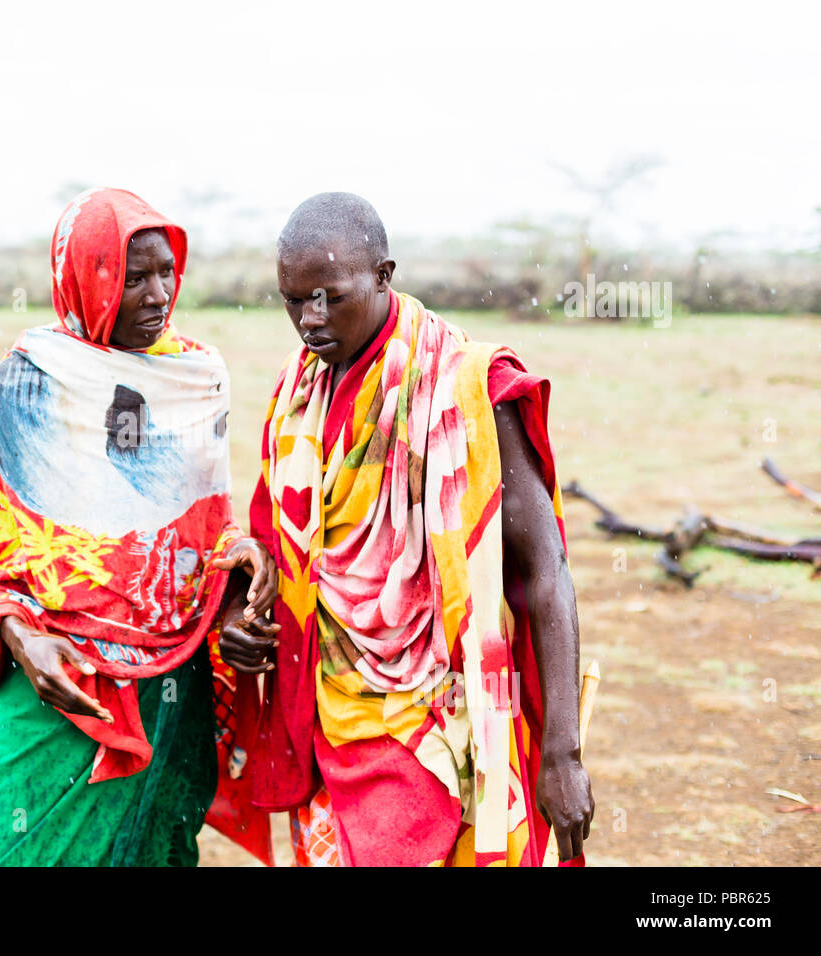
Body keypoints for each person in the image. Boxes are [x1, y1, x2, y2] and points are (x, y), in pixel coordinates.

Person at [222, 192, 594, 866]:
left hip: (445, 724)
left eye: (330, 297)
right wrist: (238, 615)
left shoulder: (469, 392)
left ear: (384, 276)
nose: (310, 319)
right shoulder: (297, 394)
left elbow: (547, 571)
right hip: (326, 723)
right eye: (293, 299)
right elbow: (273, 536)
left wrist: (564, 752)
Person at [0, 187, 279, 866]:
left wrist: (237, 602)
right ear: (86, 280)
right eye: (133, 278)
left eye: (166, 272)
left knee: (156, 847)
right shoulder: (15, 393)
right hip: (59, 692)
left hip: (172, 689)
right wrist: (24, 644)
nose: (159, 294)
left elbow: (203, 541)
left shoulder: (195, 378)